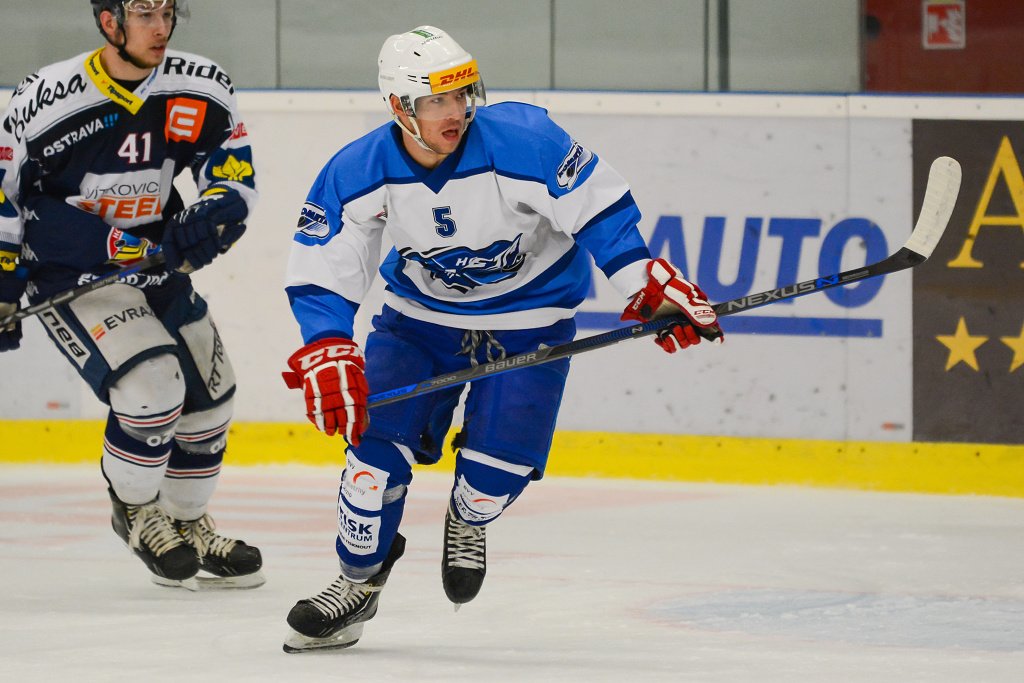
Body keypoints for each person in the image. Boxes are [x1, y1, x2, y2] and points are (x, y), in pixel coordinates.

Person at [280, 25, 723, 652]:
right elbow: (324, 264)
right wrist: (327, 343)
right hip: (418, 324)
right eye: (436, 100)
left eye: (461, 94)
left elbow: (599, 212)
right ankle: (357, 583)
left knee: (493, 477)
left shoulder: (525, 140)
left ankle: (468, 516)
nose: (455, 111)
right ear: (399, 107)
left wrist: (642, 281)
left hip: (529, 324)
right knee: (369, 468)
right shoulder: (358, 170)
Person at [0, 0, 263, 590]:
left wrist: (212, 215)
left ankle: (188, 522)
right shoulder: (46, 98)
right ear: (108, 21)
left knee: (211, 399)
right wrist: (2, 282)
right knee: (152, 389)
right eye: (144, 13)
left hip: (153, 265)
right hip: (75, 273)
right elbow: (6, 192)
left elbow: (233, 175)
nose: (161, 27)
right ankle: (138, 511)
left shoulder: (201, 85)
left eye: (168, 12)